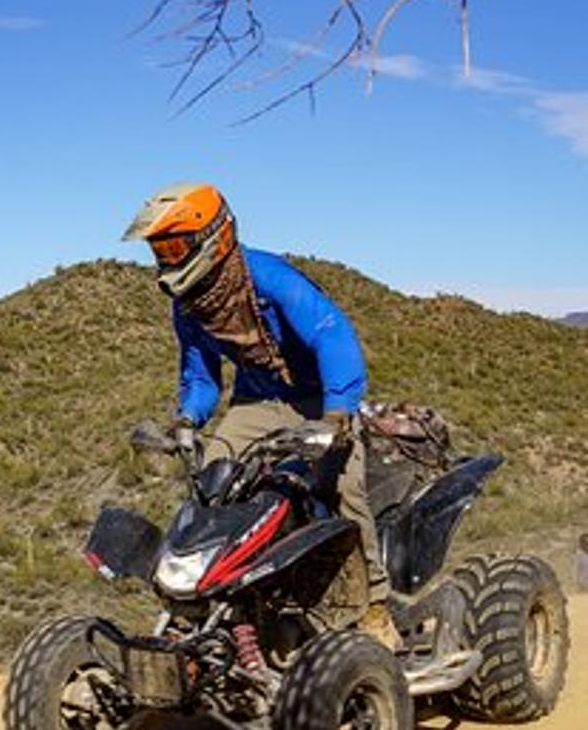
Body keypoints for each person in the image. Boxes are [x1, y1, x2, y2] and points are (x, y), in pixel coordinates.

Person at [122, 182, 392, 643]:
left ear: (215, 237)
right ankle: (209, 606)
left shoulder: (269, 278)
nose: (167, 258)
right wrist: (188, 419)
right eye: (160, 248)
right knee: (212, 480)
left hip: (317, 401)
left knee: (344, 487)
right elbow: (201, 377)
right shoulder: (189, 307)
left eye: (175, 245)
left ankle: (375, 608)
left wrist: (338, 415)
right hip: (257, 402)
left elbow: (333, 334)